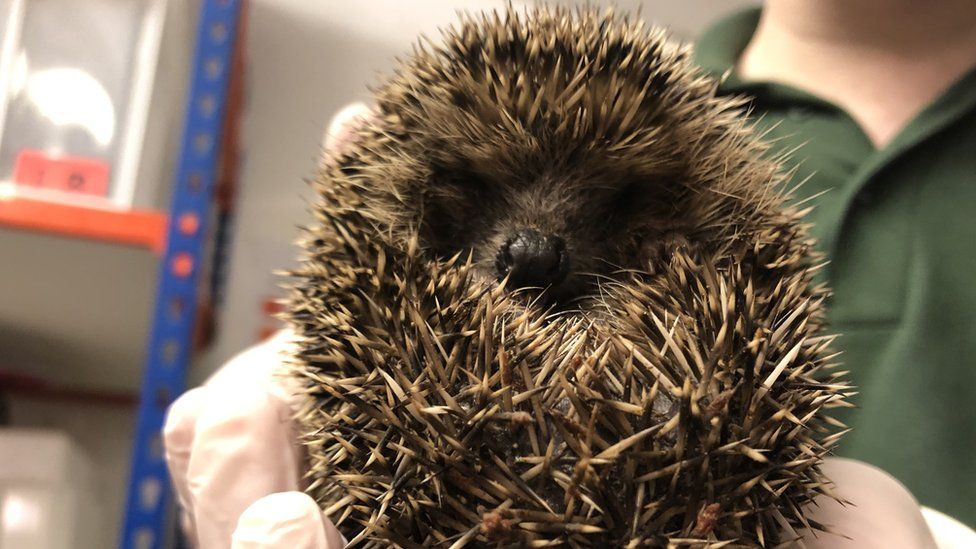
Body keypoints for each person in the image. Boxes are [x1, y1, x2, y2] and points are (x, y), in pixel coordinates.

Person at [165, 0, 976, 545]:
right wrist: (331, 355)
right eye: (481, 191)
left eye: (612, 201)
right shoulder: (696, 101)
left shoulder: (713, 162)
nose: (534, 249)